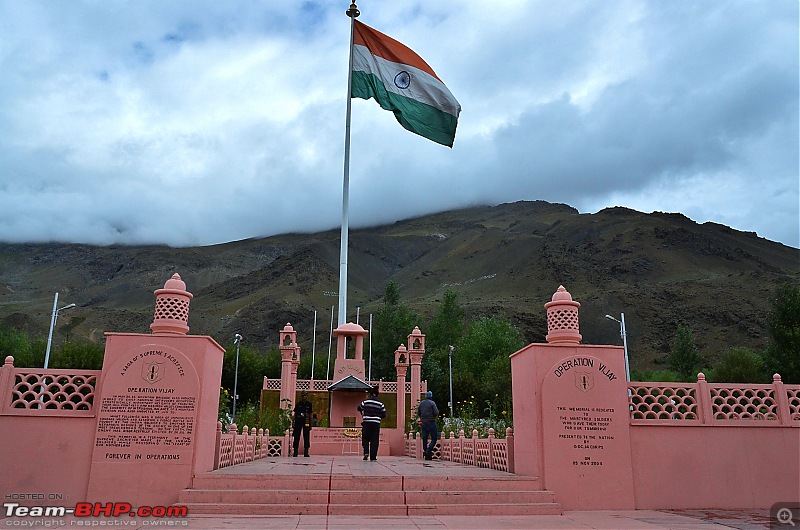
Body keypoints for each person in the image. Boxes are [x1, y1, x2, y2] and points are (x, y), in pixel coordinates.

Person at [357, 386, 386, 461]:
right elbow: (384, 414)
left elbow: (359, 408)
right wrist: (378, 417)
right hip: (376, 423)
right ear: (377, 394)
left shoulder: (365, 402)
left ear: (370, 394)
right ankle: (373, 457)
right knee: (374, 440)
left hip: (366, 423)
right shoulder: (380, 404)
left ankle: (366, 452)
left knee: (365, 438)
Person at [417, 390, 440, 460]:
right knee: (434, 437)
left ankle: (425, 451)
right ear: (431, 396)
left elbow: (419, 413)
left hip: (424, 422)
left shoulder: (421, 404)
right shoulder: (432, 403)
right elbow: (436, 412)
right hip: (431, 422)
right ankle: (428, 450)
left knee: (425, 437)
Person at [292, 391, 312, 457]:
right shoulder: (298, 404)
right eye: (303, 396)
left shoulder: (309, 404)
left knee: (306, 436)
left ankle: (306, 451)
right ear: (301, 396)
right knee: (296, 436)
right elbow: (295, 414)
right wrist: (293, 422)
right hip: (298, 421)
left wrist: (310, 424)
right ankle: (295, 451)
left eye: (305, 395)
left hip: (306, 421)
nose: (304, 397)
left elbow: (310, 414)